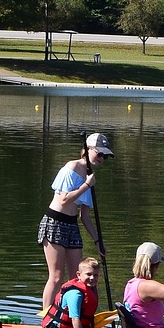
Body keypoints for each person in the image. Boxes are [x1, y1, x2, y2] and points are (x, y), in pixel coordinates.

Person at [38, 133, 112, 312]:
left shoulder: (90, 177)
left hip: (72, 225)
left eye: (105, 156)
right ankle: (46, 316)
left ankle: (71, 316)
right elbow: (64, 200)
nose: (102, 158)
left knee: (76, 279)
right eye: (99, 154)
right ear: (88, 150)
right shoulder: (71, 167)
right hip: (54, 221)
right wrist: (86, 185)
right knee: (56, 276)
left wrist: (98, 241)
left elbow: (84, 216)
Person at [40, 257, 102, 328]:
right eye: (88, 274)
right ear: (79, 275)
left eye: (95, 275)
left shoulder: (89, 289)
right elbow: (75, 319)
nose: (92, 278)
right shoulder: (75, 294)